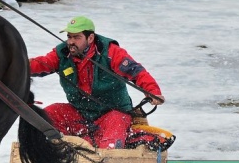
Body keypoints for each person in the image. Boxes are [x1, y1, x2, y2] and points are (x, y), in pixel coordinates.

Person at [30, 16, 164, 149]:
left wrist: (153, 91)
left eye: (77, 37)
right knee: (45, 117)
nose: (71, 42)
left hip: (113, 114)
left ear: (90, 38)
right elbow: (41, 64)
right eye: (69, 37)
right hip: (81, 114)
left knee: (111, 141)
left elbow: (136, 72)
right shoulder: (62, 53)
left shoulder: (111, 52)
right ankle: (58, 156)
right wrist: (18, 64)